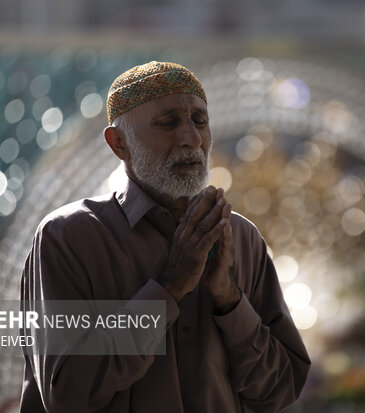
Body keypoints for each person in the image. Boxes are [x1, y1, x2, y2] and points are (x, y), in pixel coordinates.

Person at [19, 61, 310, 413]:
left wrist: (230, 301)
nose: (191, 138)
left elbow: (283, 389)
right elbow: (66, 394)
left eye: (199, 121)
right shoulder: (69, 238)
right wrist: (169, 287)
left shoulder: (241, 238)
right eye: (168, 122)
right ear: (118, 143)